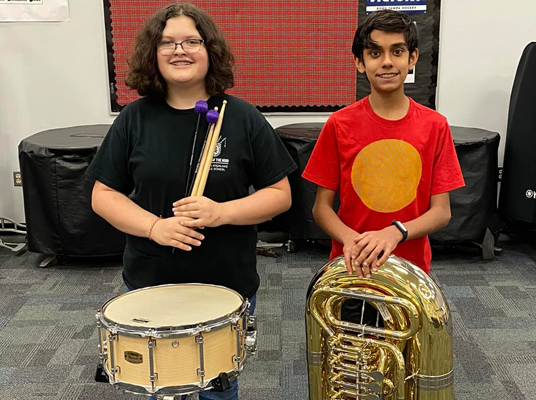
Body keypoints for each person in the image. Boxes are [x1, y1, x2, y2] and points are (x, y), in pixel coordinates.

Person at [87, 4, 296, 400]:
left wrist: (222, 212)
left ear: (209, 50)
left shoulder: (241, 117)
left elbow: (280, 195)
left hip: (225, 281)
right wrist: (155, 226)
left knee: (218, 388)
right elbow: (103, 194)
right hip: (151, 279)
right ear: (154, 53)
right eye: (167, 42)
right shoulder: (134, 118)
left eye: (191, 41)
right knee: (158, 387)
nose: (179, 50)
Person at [302, 10, 464, 324]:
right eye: (375, 53)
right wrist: (351, 239)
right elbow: (321, 208)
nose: (387, 62)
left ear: (412, 58)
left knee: (407, 367)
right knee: (350, 367)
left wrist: (395, 233)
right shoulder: (339, 124)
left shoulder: (435, 126)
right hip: (352, 271)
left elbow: (441, 212)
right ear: (360, 62)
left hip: (409, 273)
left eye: (397, 51)